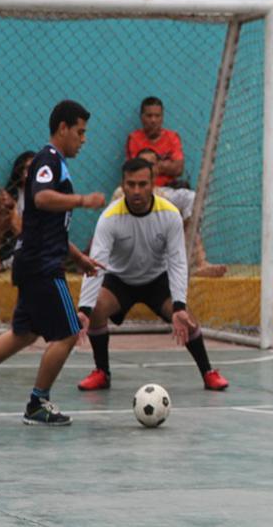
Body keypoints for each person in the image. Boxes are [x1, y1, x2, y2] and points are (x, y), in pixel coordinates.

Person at [0, 100, 105, 426]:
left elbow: (47, 225)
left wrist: (78, 257)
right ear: (63, 128)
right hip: (42, 265)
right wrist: (83, 200)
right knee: (68, 333)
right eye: (80, 132)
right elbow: (42, 198)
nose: (84, 139)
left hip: (32, 261)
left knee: (25, 333)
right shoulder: (48, 160)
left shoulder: (56, 163)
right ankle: (37, 403)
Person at [75, 157, 229, 392]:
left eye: (142, 184)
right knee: (96, 308)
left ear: (153, 184)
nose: (137, 190)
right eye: (131, 184)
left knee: (186, 318)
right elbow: (95, 265)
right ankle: (102, 372)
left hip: (157, 279)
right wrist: (84, 310)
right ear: (123, 186)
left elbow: (177, 262)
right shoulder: (109, 218)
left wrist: (179, 306)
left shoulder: (170, 214)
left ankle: (208, 372)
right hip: (120, 280)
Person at [132, 148, 227, 278]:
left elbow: (190, 200)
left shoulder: (166, 195)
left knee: (191, 200)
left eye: (151, 164)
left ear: (157, 169)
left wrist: (186, 224)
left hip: (165, 249)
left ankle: (200, 263)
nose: (147, 168)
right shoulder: (123, 194)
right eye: (143, 164)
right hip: (135, 253)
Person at [125, 96, 185, 187]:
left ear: (162, 117)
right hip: (142, 188)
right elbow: (135, 171)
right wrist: (167, 165)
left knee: (191, 194)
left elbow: (179, 169)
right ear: (142, 117)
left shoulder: (172, 137)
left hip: (168, 188)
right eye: (149, 116)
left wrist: (149, 165)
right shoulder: (134, 138)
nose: (153, 120)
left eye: (157, 116)